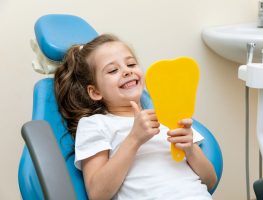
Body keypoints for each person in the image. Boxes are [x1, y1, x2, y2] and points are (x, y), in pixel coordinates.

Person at [54, 34, 217, 200]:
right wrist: (134, 138)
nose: (127, 71)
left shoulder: (169, 116)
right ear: (95, 92)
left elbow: (210, 182)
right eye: (113, 70)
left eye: (131, 64)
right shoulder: (95, 124)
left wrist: (190, 148)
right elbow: (97, 194)